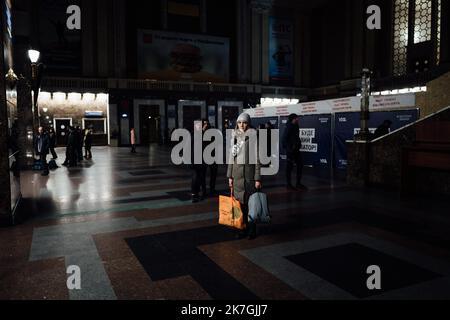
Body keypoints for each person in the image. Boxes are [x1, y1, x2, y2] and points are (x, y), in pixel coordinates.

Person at [227, 113, 261, 240]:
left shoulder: (253, 137)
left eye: (244, 122)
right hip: (236, 176)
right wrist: (230, 176)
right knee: (239, 206)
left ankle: (252, 229)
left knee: (250, 205)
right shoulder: (234, 136)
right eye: (240, 122)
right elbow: (231, 158)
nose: (242, 125)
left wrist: (257, 178)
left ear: (248, 123)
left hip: (249, 177)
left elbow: (257, 159)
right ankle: (242, 229)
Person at [282, 114, 307, 191]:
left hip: (296, 150)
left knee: (300, 164)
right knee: (289, 167)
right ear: (293, 119)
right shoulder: (289, 126)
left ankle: (298, 183)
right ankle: (288, 184)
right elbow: (284, 139)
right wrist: (289, 149)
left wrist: (298, 144)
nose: (298, 119)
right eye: (296, 118)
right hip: (290, 151)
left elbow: (296, 137)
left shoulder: (296, 126)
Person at [191, 120, 207, 203]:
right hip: (197, 160)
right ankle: (195, 194)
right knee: (197, 177)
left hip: (198, 159)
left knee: (198, 177)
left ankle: (198, 193)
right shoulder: (196, 135)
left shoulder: (194, 134)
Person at [203, 119, 218, 196]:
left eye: (207, 124)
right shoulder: (200, 133)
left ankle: (212, 188)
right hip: (204, 157)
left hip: (213, 156)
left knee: (213, 173)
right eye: (204, 124)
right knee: (202, 174)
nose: (206, 125)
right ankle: (204, 189)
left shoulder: (212, 132)